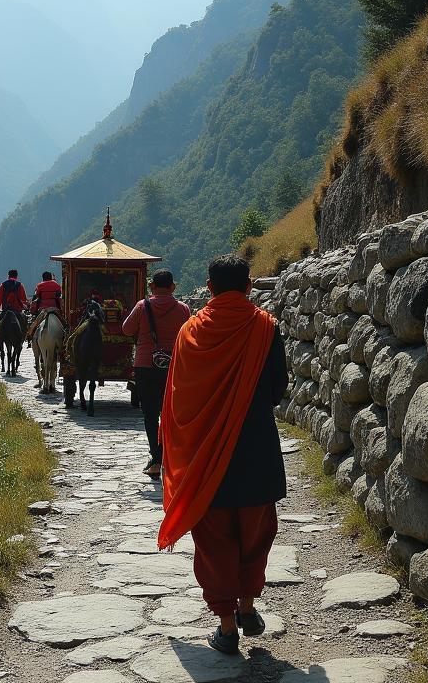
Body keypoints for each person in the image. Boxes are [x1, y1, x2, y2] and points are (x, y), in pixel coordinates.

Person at [157, 254, 288, 656]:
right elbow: (277, 390)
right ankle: (247, 605)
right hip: (256, 449)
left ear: (209, 288)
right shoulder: (266, 328)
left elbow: (178, 398)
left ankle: (227, 626)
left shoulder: (190, 332)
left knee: (214, 541)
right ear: (249, 285)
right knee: (256, 533)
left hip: (204, 456)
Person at [122, 270, 190, 477]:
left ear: (151, 286)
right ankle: (170, 458)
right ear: (173, 287)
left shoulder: (143, 306)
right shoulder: (183, 309)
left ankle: (156, 458)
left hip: (145, 365)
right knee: (171, 413)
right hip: (174, 366)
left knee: (150, 414)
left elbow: (126, 329)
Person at [26, 271, 64, 339]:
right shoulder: (57, 285)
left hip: (42, 309)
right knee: (63, 322)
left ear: (43, 278)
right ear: (51, 277)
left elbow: (36, 298)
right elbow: (59, 298)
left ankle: (30, 335)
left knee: (35, 323)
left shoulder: (39, 286)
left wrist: (33, 310)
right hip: (55, 308)